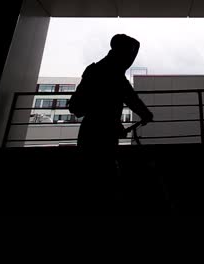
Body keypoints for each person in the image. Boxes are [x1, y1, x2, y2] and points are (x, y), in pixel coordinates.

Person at [68, 34, 153, 213]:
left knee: (90, 176)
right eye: (130, 53)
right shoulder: (116, 76)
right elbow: (132, 99)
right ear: (123, 53)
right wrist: (145, 114)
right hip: (105, 135)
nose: (131, 58)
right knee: (106, 176)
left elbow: (78, 107)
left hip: (89, 131)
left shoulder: (95, 70)